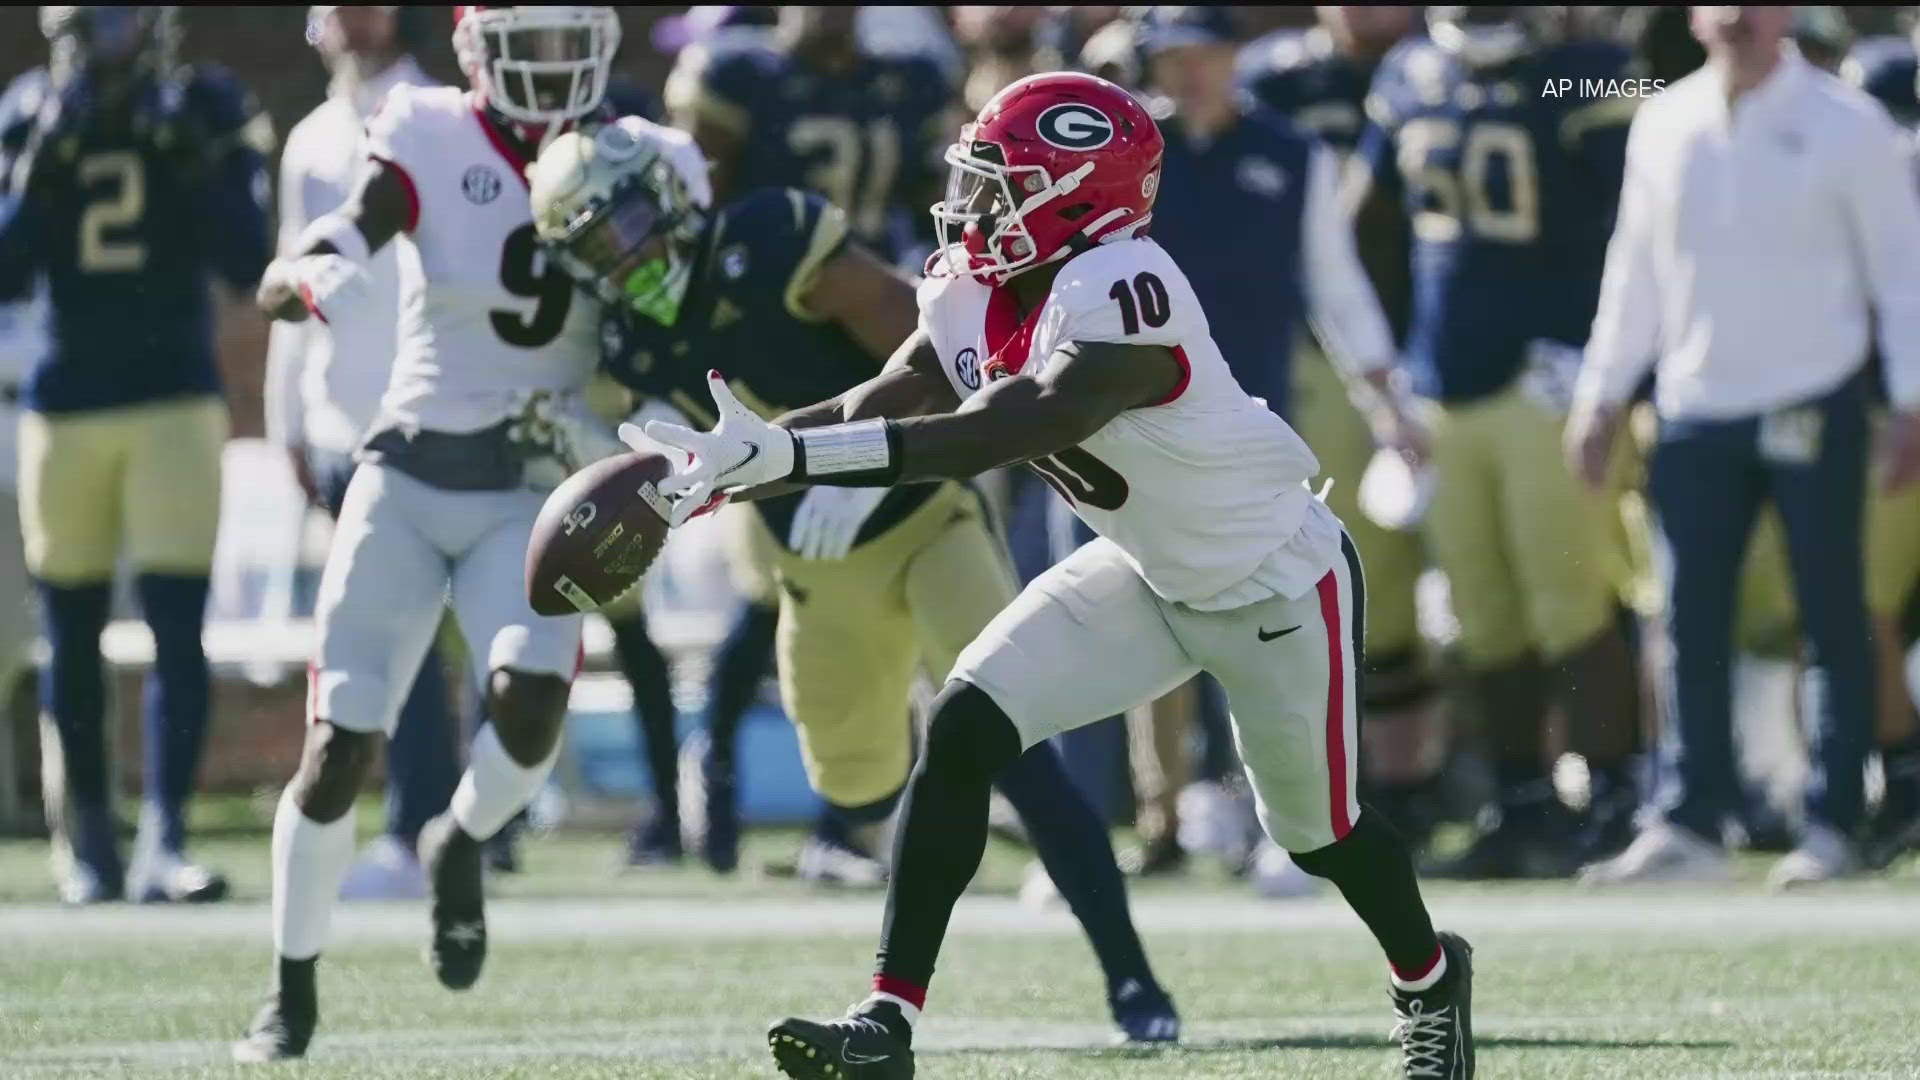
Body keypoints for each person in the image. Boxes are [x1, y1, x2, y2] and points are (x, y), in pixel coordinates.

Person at [629, 71, 1473, 1080]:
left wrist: (796, 462)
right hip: (1148, 572)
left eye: (1004, 183)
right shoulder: (972, 284)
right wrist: (752, 448)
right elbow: (906, 382)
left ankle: (1429, 983)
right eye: (977, 178)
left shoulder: (1124, 283)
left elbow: (1014, 425)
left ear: (1079, 198)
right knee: (965, 722)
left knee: (1321, 836)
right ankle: (887, 1021)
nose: (977, 202)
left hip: (1274, 583)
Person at [530, 117, 1182, 1043]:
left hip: (924, 519)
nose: (617, 257)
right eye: (589, 246)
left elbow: (942, 366)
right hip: (813, 562)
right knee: (860, 785)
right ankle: (935, 823)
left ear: (668, 196)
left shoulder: (769, 239)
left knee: (1010, 738)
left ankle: (1135, 985)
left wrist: (838, 461)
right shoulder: (632, 342)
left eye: (620, 225)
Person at [231, 5, 627, 1060]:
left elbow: (662, 316)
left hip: (529, 486)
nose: (549, 69)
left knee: (533, 709)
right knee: (340, 743)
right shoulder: (424, 129)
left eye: (564, 41)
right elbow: (347, 228)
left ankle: (459, 838)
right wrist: (309, 268)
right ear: (473, 54)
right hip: (406, 471)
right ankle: (291, 988)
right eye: (525, 45)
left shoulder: (635, 155)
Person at [1567, 5, 1920, 888]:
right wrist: (1602, 395)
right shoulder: (1664, 117)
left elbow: (1901, 271)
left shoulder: (1849, 123)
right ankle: (1691, 820)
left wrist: (1912, 402)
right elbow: (1634, 270)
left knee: (1833, 618)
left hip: (1815, 400)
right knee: (1687, 620)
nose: (1738, 18)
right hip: (1694, 407)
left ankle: (1833, 824)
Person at [1349, 6, 1645, 879]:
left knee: (1570, 602)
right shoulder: (1411, 71)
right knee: (1483, 613)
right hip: (1443, 386)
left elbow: (1653, 205)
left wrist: (1608, 357)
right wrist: (1392, 362)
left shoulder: (1584, 70)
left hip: (1549, 379)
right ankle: (1518, 803)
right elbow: (1362, 224)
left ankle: (1613, 797)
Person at [1133, 5, 1415, 896]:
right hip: (1132, 426)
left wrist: (1385, 400)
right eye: (1171, 56)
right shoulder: (1131, 155)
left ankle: (1268, 817)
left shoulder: (1295, 153)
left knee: (1255, 616)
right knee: (1139, 620)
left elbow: (1335, 287)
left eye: (1202, 52)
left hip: (1250, 429)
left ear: (1233, 55)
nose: (1187, 72)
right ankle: (1162, 820)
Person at [0, 5, 273, 905]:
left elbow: (247, 260)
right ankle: (89, 843)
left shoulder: (205, 101)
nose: (104, 41)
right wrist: (42, 166)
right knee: (69, 636)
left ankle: (166, 837)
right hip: (66, 398)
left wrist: (188, 159)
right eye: (90, 23)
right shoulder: (27, 110)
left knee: (174, 626)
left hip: (173, 396)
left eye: (118, 20)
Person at [1238, 5, 1447, 849]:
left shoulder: (1450, 70)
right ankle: (1364, 790)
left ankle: (1428, 783)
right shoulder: (1276, 78)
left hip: (1437, 348)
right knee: (1355, 576)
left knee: (1426, 585)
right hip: (1326, 360)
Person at [266, 3, 456, 902]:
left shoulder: (432, 116)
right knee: (362, 639)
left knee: (412, 640)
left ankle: (424, 831)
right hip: (339, 419)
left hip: (419, 411)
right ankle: (418, 825)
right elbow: (290, 281)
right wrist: (287, 419)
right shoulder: (307, 139)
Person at [664, 4, 954, 260]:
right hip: (765, 278)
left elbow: (933, 201)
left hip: (880, 275)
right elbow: (697, 202)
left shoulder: (908, 81)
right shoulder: (737, 74)